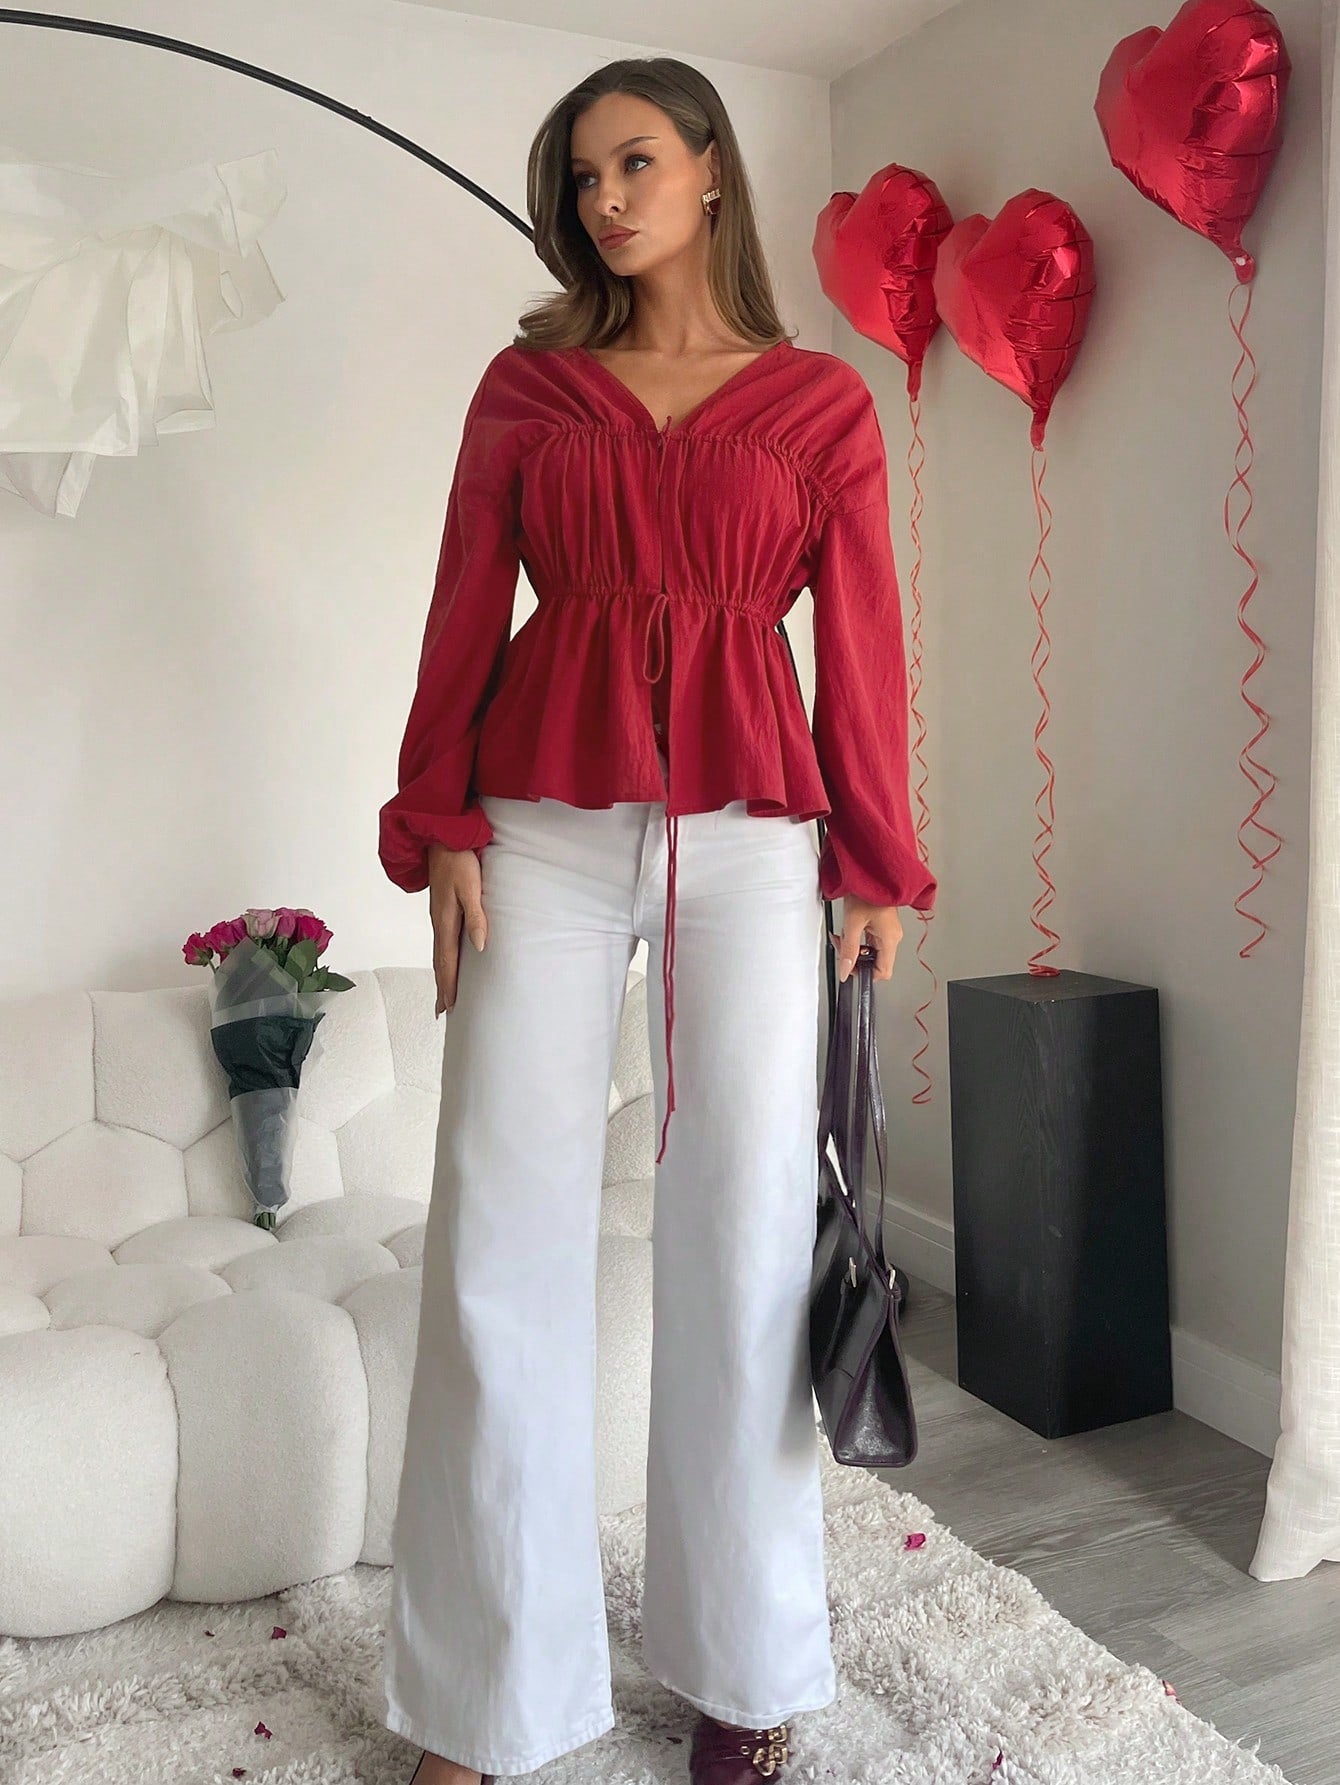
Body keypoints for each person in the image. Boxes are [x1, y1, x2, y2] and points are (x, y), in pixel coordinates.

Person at [377, 55, 937, 1785]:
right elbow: (464, 606)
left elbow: (864, 643)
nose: (604, 199)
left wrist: (878, 857)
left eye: (632, 162)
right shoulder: (530, 389)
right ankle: (487, 1698)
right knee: (500, 1233)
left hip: (756, 843)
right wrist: (437, 817)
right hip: (537, 828)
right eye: (581, 177)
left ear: (709, 170)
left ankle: (743, 1665)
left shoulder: (821, 406)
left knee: (746, 1237)